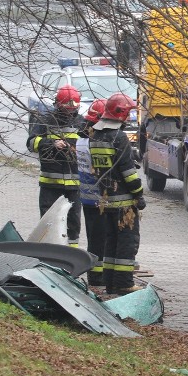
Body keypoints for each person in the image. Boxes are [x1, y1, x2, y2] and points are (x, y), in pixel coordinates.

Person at [90, 92, 147, 295]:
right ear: (120, 112)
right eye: (128, 112)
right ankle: (123, 283)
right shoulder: (119, 137)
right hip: (124, 203)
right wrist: (139, 194)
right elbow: (128, 173)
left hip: (106, 200)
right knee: (127, 242)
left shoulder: (95, 135)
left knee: (111, 241)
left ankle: (111, 282)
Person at [27, 84, 84, 247]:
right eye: (67, 109)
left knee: (73, 223)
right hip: (50, 185)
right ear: (58, 105)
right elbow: (31, 143)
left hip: (74, 184)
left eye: (73, 109)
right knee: (48, 221)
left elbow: (89, 144)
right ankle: (49, 253)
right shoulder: (45, 121)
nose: (71, 112)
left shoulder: (81, 122)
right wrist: (51, 143)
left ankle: (72, 254)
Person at [76, 98, 107, 286]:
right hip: (100, 199)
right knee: (101, 240)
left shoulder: (81, 140)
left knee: (93, 239)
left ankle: (95, 275)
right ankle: (97, 277)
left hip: (87, 198)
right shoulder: (95, 144)